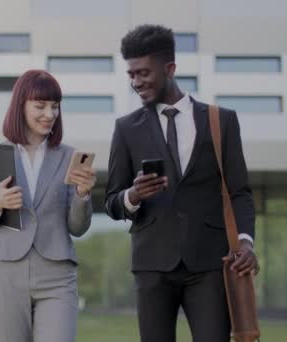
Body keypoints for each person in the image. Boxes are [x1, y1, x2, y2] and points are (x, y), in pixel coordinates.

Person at [104, 24, 259, 342]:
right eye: (131, 75)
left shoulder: (221, 121)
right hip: (152, 265)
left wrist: (245, 241)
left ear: (170, 68)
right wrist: (132, 195)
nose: (137, 82)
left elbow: (239, 192)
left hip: (209, 264)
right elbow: (112, 202)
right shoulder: (126, 129)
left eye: (144, 73)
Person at [0, 69, 96, 342]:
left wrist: (83, 195)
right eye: (40, 106)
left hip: (57, 275)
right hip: (4, 274)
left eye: (55, 106)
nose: (49, 114)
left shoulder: (69, 157)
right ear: (20, 106)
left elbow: (77, 227)